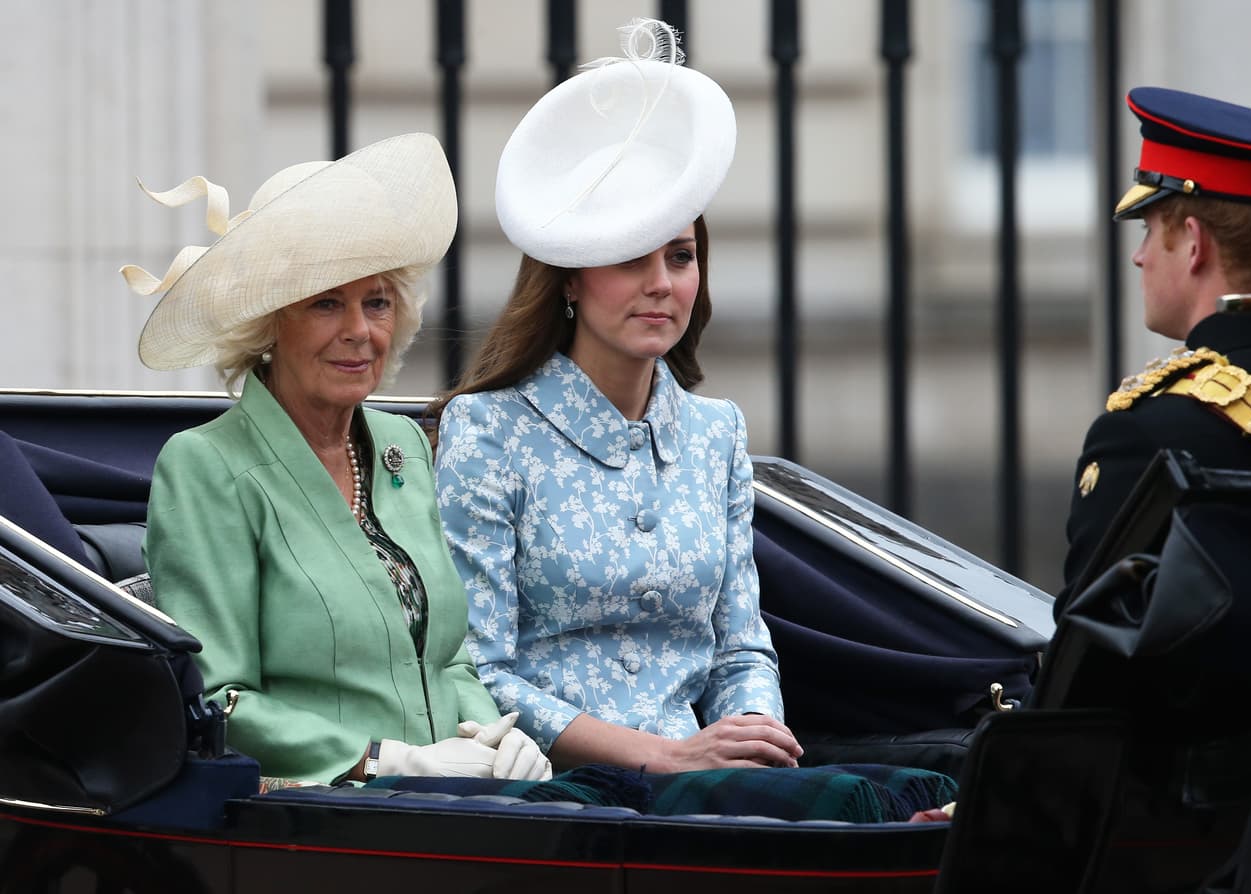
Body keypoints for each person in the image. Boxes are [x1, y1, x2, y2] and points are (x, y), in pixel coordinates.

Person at [432, 18, 803, 774]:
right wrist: (664, 757)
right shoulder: (488, 430)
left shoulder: (717, 434)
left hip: (703, 786)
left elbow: (740, 650)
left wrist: (750, 740)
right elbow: (477, 670)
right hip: (550, 789)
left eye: (681, 256)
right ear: (570, 277)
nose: (661, 283)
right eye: (632, 257)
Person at [123, 133, 551, 785]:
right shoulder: (205, 466)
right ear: (269, 322)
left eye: (376, 302)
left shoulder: (404, 445)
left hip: (455, 802)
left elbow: (447, 659)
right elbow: (219, 697)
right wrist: (384, 759)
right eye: (326, 302)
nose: (359, 330)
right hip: (316, 815)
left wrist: (494, 740)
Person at [1061, 87, 1251, 605]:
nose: (1139, 257)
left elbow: (1091, 647)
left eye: (1149, 229)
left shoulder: (1147, 436)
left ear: (1194, 243)